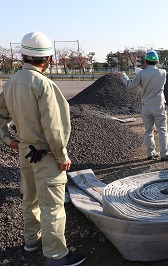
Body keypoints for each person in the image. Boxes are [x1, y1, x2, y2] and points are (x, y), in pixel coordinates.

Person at [0, 32, 86, 265]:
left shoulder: (11, 83)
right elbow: (54, 127)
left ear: (24, 56)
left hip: (25, 152)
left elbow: (1, 116)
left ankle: (32, 241)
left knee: (30, 198)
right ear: (47, 58)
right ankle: (56, 255)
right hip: (46, 154)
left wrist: (10, 140)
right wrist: (62, 156)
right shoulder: (44, 85)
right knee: (53, 206)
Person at [117, 50, 168, 161]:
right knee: (162, 130)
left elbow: (130, 85)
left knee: (148, 130)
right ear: (157, 61)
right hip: (158, 105)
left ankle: (151, 153)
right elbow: (157, 74)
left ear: (145, 61)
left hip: (146, 105)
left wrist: (123, 75)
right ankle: (165, 153)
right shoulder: (162, 73)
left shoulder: (141, 74)